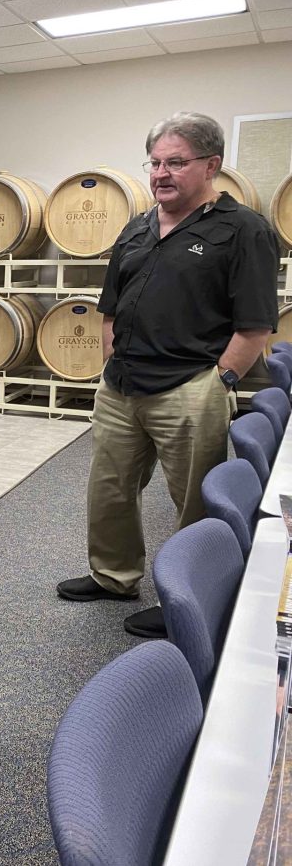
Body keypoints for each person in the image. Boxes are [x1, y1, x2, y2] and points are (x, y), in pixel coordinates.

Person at [57, 111, 279, 638]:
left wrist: (219, 383)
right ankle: (113, 576)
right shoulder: (137, 227)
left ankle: (190, 598)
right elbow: (110, 307)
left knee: (195, 503)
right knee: (109, 490)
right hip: (122, 387)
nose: (162, 173)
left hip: (190, 387)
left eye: (176, 162)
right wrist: (111, 365)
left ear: (211, 165)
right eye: (155, 163)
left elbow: (254, 325)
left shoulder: (242, 231)